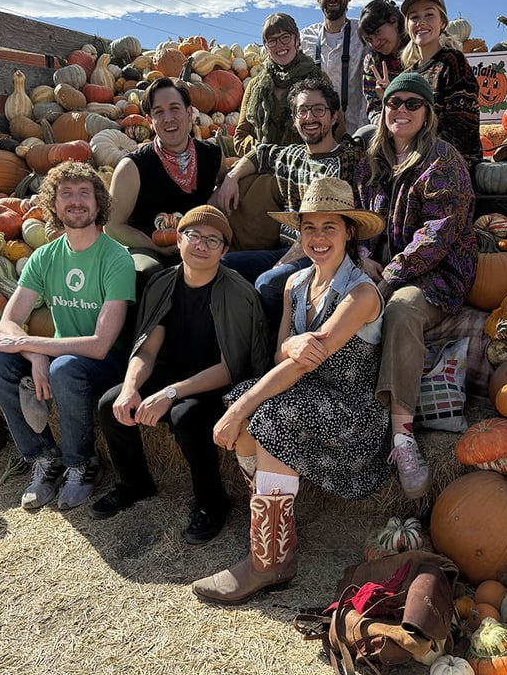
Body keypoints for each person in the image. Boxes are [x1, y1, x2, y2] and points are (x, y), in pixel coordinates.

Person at [192, 177, 391, 604]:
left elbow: (305, 360)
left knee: (266, 414)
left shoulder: (360, 294)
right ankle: (273, 540)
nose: (318, 237)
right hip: (306, 393)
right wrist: (289, 345)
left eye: (329, 227)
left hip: (351, 413)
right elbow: (282, 357)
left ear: (349, 232)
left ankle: (267, 563)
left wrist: (245, 405)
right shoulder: (295, 284)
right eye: (309, 228)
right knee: (245, 400)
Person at [92, 205, 270, 543]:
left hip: (221, 384)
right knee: (110, 404)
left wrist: (170, 393)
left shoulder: (237, 292)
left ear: (224, 250)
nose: (201, 244)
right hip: (173, 374)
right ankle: (135, 483)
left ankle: (212, 501)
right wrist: (131, 388)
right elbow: (147, 350)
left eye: (213, 240)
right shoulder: (163, 284)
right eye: (194, 235)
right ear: (178, 240)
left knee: (185, 416)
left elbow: (230, 368)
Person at [0, 161, 136, 510]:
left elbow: (100, 345)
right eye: (66, 194)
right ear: (53, 204)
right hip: (59, 355)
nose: (76, 201)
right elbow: (8, 324)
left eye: (84, 193)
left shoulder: (116, 259)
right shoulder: (44, 257)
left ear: (98, 203)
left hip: (108, 363)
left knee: (63, 368)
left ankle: (82, 463)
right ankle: (45, 458)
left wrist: (31, 344)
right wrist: (35, 355)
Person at [354, 72, 478, 499]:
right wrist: (362, 256)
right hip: (378, 266)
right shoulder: (372, 158)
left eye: (412, 103)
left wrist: (390, 277)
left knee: (400, 310)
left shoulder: (443, 161)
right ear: (383, 108)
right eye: (394, 102)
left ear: (427, 113)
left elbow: (436, 235)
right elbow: (359, 216)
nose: (401, 110)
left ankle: (402, 436)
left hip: (434, 274)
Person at [215, 76, 363, 327]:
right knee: (220, 266)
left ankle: (283, 337)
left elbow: (322, 227)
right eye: (302, 111)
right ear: (294, 119)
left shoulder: (346, 162)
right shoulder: (292, 155)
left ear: (334, 117)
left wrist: (281, 264)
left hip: (322, 255)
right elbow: (260, 154)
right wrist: (231, 177)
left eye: (318, 109)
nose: (310, 117)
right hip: (286, 249)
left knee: (268, 282)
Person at [106, 77, 227, 293]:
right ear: (150, 121)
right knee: (149, 272)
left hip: (200, 245)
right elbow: (112, 226)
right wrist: (156, 247)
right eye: (159, 112)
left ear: (189, 113)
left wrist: (231, 181)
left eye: (174, 108)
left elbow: (223, 184)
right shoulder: (132, 167)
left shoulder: (212, 155)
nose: (168, 118)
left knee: (228, 272)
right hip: (149, 248)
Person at [400, 0, 482, 170]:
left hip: (449, 166)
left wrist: (419, 157)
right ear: (407, 26)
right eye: (414, 17)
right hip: (411, 161)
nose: (421, 22)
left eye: (429, 15)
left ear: (443, 23)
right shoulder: (407, 76)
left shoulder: (453, 62)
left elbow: (461, 127)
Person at [234, 13, 321, 156]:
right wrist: (268, 153)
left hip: (307, 164)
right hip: (263, 165)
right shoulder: (255, 86)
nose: (279, 45)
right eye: (272, 40)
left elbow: (335, 131)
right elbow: (240, 138)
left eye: (285, 37)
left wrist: (294, 158)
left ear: (297, 40)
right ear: (266, 46)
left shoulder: (318, 79)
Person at [299, 0, 368, 132]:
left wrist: (362, 135)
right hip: (316, 135)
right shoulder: (304, 39)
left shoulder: (363, 35)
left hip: (356, 134)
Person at [359, 0, 408, 128]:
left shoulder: (418, 53)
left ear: (394, 21)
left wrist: (394, 95)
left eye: (377, 32)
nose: (375, 43)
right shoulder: (372, 62)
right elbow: (373, 106)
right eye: (369, 39)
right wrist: (384, 123)